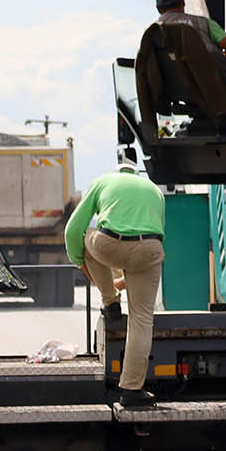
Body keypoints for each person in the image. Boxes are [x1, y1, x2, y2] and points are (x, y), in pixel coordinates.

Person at [63, 151, 167, 408]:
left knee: (86, 237)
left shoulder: (102, 182)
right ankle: (132, 390)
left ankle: (110, 302)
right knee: (142, 319)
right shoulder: (155, 190)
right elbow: (156, 230)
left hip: (110, 244)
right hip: (150, 249)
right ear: (136, 173)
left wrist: (80, 262)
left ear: (117, 171)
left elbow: (73, 230)